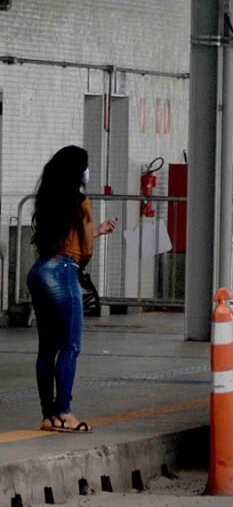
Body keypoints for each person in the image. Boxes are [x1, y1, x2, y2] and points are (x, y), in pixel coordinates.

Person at [27, 146, 118, 433]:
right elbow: (84, 249)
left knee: (47, 348)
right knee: (70, 346)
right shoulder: (81, 202)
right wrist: (83, 260)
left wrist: (97, 229)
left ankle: (48, 415)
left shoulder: (47, 199)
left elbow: (66, 237)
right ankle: (65, 413)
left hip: (40, 271)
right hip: (64, 273)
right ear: (78, 172)